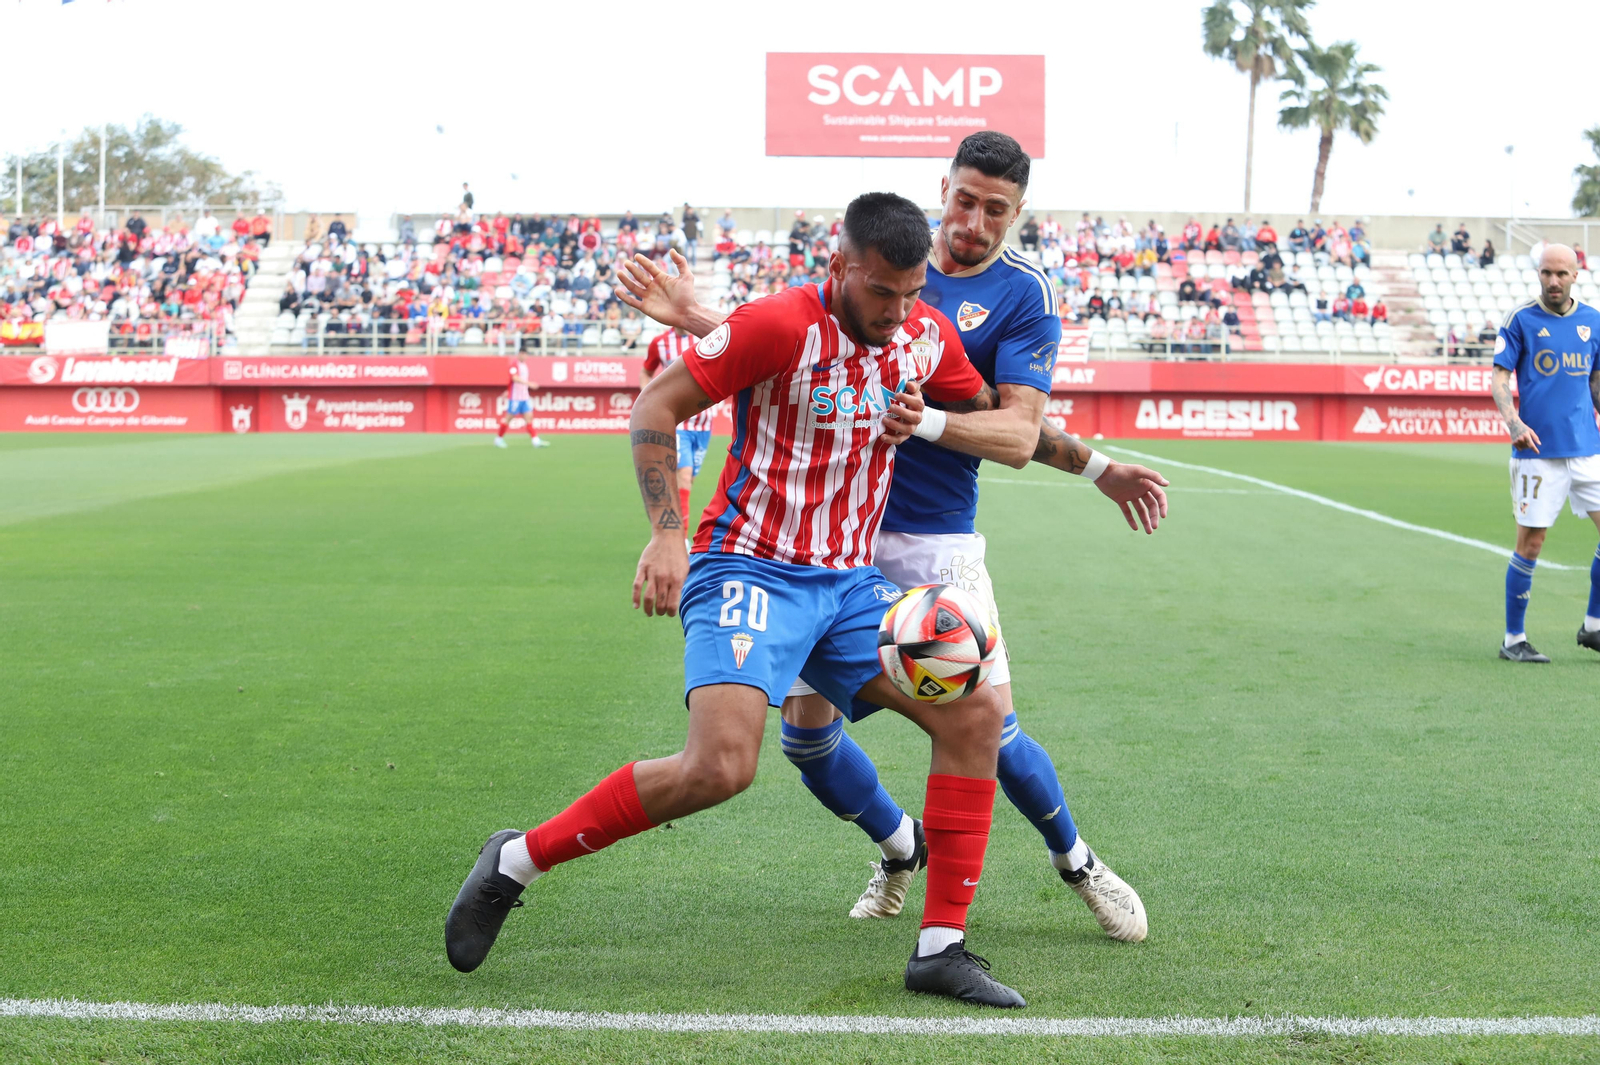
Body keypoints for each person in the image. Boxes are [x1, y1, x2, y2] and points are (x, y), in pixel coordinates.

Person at [449, 191, 1039, 1007]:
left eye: (911, 294)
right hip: (748, 571)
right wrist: (666, 533)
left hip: (850, 586)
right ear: (839, 268)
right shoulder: (777, 324)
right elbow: (657, 405)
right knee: (721, 767)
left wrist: (1091, 462)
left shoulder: (925, 338)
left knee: (974, 710)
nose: (899, 311)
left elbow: (1003, 419)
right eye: (881, 293)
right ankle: (515, 859)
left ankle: (941, 947)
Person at [616, 132, 1164, 945]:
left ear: (1018, 215)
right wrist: (698, 317)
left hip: (936, 543)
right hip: (829, 546)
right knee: (806, 738)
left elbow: (1015, 429)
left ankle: (1076, 859)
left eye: (995, 209)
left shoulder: (1021, 296)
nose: (973, 220)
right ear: (944, 190)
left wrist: (1094, 467)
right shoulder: (888, 246)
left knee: (988, 724)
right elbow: (795, 346)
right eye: (965, 200)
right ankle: (899, 847)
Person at [1487, 244, 1600, 663]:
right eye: (1546, 273)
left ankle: (1593, 627)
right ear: (1539, 274)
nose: (1553, 281)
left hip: (1588, 450)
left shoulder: (1593, 322)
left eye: (1561, 274)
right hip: (1537, 453)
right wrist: (1513, 423)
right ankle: (1513, 639)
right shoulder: (1520, 320)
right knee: (1531, 544)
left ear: (1576, 275)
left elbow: (1596, 385)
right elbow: (1499, 380)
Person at [640, 326, 714, 528]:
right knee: (683, 474)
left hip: (704, 423)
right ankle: (680, 539)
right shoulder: (660, 342)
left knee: (688, 481)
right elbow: (646, 372)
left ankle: (669, 525)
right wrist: (650, 398)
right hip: (677, 420)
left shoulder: (706, 337)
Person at [493, 354, 550, 448]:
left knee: (529, 418)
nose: (526, 357)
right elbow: (514, 378)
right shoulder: (514, 365)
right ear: (520, 354)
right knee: (508, 419)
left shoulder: (525, 366)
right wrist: (529, 384)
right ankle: (498, 439)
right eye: (525, 355)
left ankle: (535, 441)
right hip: (515, 398)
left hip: (525, 397)